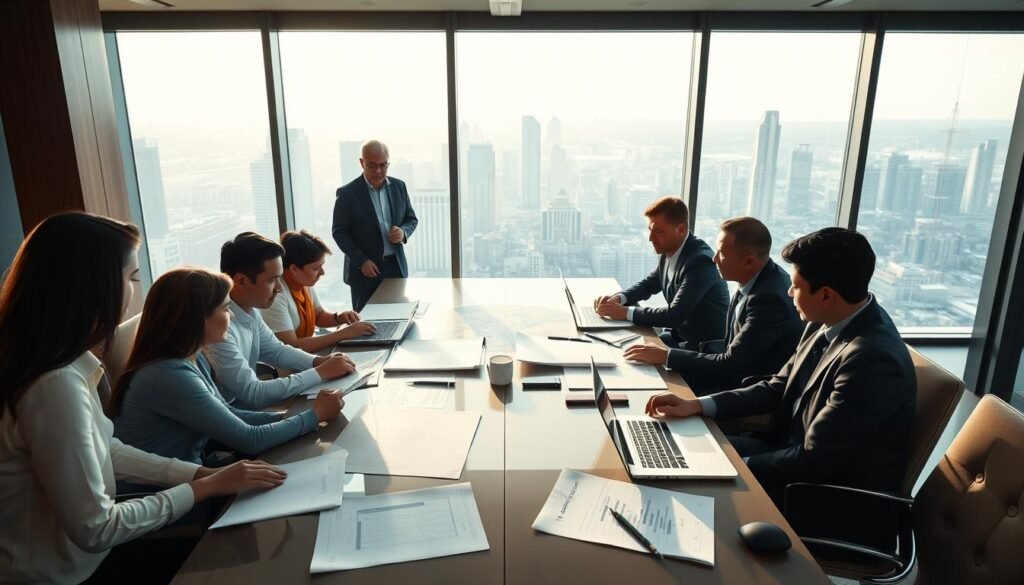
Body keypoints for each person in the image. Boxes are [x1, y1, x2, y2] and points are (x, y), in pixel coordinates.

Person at [0, 212, 286, 584]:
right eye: (132, 277)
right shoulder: (53, 384)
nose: (135, 290)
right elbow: (96, 528)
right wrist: (201, 487)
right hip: (64, 575)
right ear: (94, 287)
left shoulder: (54, 364)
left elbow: (107, 449)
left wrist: (201, 474)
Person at [644, 227, 916, 509]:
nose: (788, 291)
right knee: (678, 445)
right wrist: (697, 405)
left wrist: (733, 469)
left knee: (681, 483)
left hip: (825, 497)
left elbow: (815, 461)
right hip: (787, 454)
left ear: (826, 295)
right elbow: (778, 386)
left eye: (796, 286)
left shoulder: (872, 361)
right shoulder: (826, 320)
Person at [111, 267, 344, 467]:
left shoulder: (194, 356)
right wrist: (314, 415)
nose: (231, 316)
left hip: (195, 472)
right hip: (163, 493)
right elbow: (248, 439)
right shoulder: (168, 375)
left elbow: (229, 413)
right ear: (196, 318)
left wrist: (295, 417)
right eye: (225, 308)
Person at [624, 217, 802, 395]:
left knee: (657, 390)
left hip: (745, 388)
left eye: (722, 253)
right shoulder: (753, 280)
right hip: (726, 368)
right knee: (644, 371)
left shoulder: (770, 300)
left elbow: (731, 364)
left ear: (749, 261)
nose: (714, 259)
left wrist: (667, 356)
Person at [207, 232, 356, 410]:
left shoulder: (250, 311)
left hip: (240, 409)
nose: (279, 288)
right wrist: (320, 372)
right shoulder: (219, 328)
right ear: (240, 281)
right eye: (272, 280)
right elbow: (253, 393)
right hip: (232, 411)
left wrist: (319, 361)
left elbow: (276, 351)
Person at [594, 196, 728, 350]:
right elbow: (648, 285)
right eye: (650, 230)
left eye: (658, 231)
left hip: (700, 350)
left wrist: (625, 313)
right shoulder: (670, 250)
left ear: (681, 229)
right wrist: (618, 299)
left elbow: (674, 315)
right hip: (678, 338)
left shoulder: (701, 262)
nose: (651, 238)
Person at [332, 140, 418, 311]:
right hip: (365, 271)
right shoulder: (347, 194)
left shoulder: (399, 186)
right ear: (362, 163)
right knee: (366, 325)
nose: (378, 171)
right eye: (372, 166)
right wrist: (361, 261)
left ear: (388, 163)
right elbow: (339, 232)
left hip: (396, 266)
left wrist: (403, 232)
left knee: (399, 316)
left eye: (383, 165)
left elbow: (411, 219)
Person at [261, 230, 376, 353]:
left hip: (309, 355)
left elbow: (318, 315)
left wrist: (340, 317)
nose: (322, 273)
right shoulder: (275, 296)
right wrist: (342, 334)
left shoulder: (303, 283)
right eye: (316, 268)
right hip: (291, 365)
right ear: (294, 269)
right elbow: (292, 347)